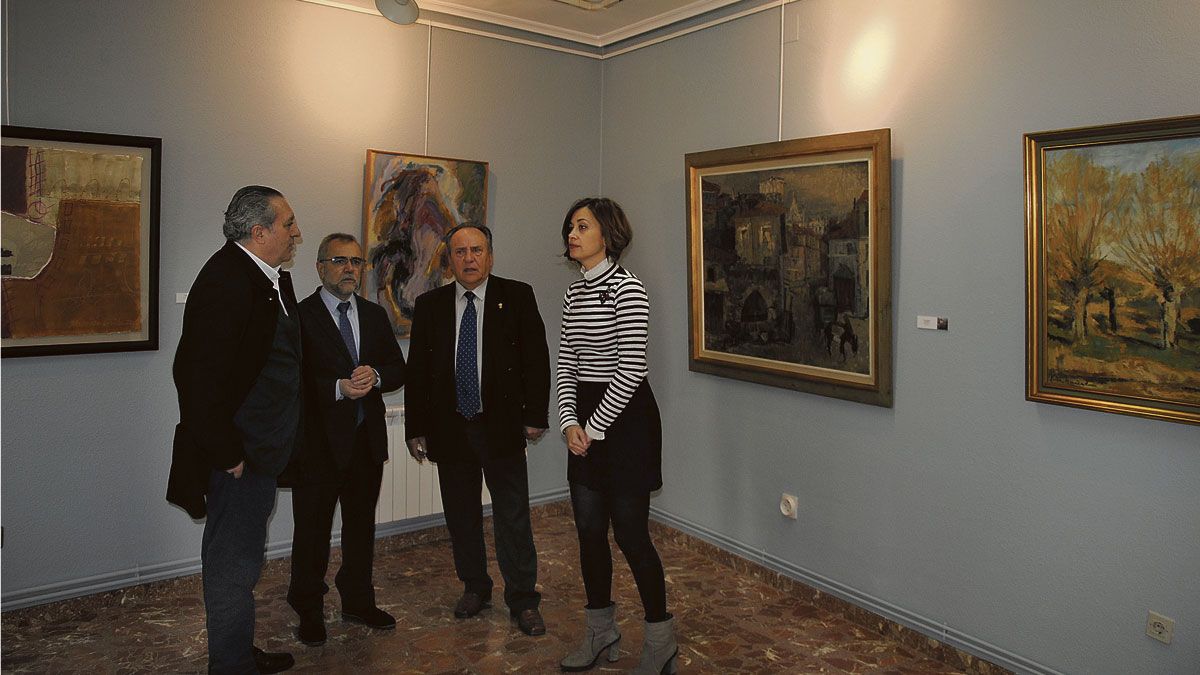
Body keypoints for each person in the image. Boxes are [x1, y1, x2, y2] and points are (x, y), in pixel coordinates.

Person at [169, 185, 303, 674]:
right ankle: (230, 665)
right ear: (259, 231)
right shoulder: (225, 281)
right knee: (232, 564)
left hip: (263, 450)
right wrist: (229, 453)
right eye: (287, 224)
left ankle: (237, 651)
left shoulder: (266, 278)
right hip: (238, 457)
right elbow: (195, 377)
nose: (296, 232)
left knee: (244, 558)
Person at [403, 224, 551, 637]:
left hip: (500, 427)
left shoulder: (517, 296)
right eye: (460, 251)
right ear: (449, 259)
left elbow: (537, 360)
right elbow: (417, 371)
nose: (468, 258)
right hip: (450, 430)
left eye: (477, 250)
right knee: (461, 517)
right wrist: (416, 427)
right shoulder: (431, 304)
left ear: (490, 255)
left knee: (513, 517)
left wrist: (535, 414)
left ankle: (522, 599)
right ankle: (475, 587)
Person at [556, 197, 676, 674]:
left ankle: (661, 637)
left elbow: (630, 370)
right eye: (570, 226)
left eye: (582, 226)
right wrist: (568, 422)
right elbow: (567, 363)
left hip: (625, 422)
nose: (571, 233)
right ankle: (601, 632)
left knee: (630, 534)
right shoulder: (573, 293)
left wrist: (593, 427)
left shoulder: (630, 291)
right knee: (588, 532)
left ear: (606, 233)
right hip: (584, 416)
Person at [287, 233, 406, 646]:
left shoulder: (374, 316)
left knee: (361, 529)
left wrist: (377, 376)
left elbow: (397, 367)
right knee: (312, 533)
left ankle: (357, 600)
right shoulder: (299, 316)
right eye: (339, 261)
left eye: (356, 261)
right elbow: (290, 380)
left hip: (364, 443)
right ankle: (308, 607)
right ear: (319, 267)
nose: (350, 269)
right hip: (317, 447)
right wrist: (336, 387)